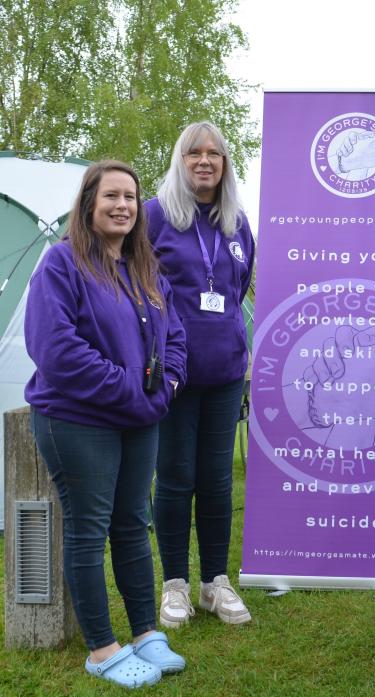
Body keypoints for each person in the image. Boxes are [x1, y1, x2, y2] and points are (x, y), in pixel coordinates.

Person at [25, 161, 188, 688]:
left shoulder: (145, 266)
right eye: (111, 196)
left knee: (131, 525)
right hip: (78, 421)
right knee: (89, 531)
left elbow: (175, 338)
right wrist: (130, 393)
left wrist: (168, 386)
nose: (123, 205)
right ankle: (102, 648)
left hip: (139, 419)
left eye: (131, 198)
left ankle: (144, 632)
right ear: (89, 202)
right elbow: (57, 350)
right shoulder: (62, 264)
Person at [146, 122, 255, 629]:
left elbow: (239, 287)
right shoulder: (154, 217)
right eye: (195, 153)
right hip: (172, 376)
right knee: (174, 480)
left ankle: (215, 582)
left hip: (226, 374)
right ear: (180, 160)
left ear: (225, 163)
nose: (205, 161)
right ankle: (174, 586)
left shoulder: (237, 223)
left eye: (215, 153)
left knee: (215, 482)